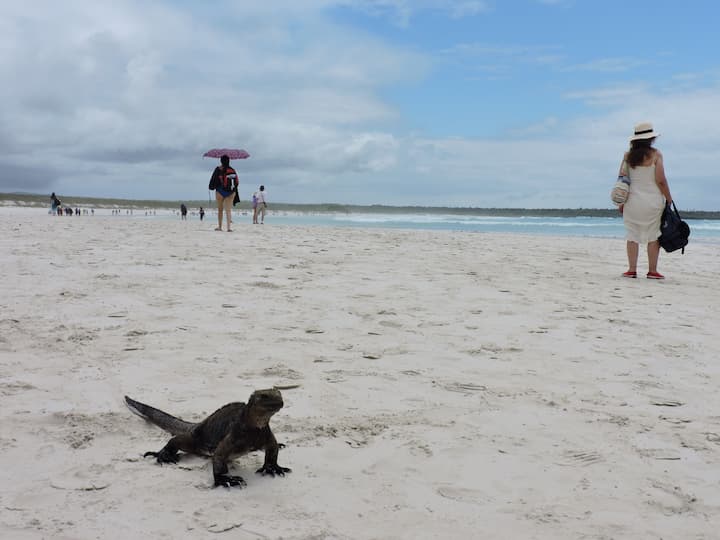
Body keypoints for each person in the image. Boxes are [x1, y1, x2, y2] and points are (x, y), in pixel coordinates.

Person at [619, 122, 673, 280]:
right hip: (652, 202)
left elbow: (622, 180)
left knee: (632, 235)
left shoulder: (628, 156)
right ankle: (652, 271)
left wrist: (622, 202)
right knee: (653, 235)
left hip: (632, 201)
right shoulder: (656, 155)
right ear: (651, 139)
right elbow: (661, 180)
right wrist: (669, 198)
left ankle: (631, 270)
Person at [209, 155, 239, 232]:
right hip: (231, 192)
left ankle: (220, 227)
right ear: (229, 161)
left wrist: (211, 187)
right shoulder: (232, 170)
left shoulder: (218, 169)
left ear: (221, 161)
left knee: (220, 210)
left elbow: (213, 180)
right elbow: (236, 183)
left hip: (220, 191)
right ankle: (229, 228)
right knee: (228, 210)